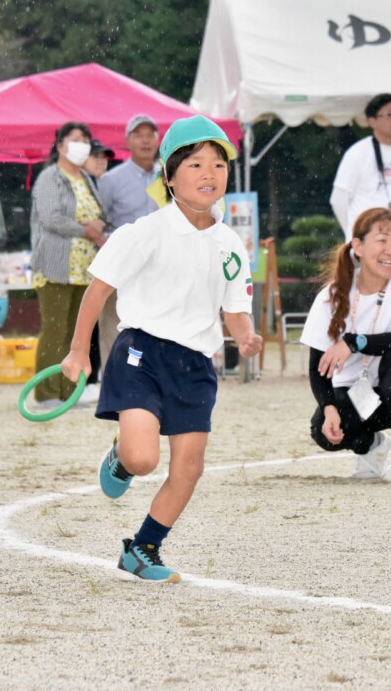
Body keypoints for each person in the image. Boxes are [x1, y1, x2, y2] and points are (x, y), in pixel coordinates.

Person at [60, 115, 261, 583]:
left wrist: (245, 334)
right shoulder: (144, 232)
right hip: (141, 355)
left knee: (189, 468)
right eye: (196, 164)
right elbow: (98, 290)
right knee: (143, 459)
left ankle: (143, 548)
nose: (209, 173)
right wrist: (78, 351)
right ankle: (122, 457)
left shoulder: (231, 243)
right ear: (169, 177)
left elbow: (235, 308)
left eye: (218, 165)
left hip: (196, 365)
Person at [299, 207, 391, 483]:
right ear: (358, 247)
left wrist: (353, 342)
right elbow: (317, 368)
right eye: (382, 240)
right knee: (321, 428)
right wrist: (328, 409)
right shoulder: (330, 296)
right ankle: (373, 447)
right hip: (358, 395)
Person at [30, 122, 107, 409]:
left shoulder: (85, 177)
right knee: (55, 330)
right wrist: (84, 229)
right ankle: (47, 392)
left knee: (76, 334)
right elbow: (50, 217)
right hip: (56, 266)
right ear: (60, 145)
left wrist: (97, 225)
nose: (82, 145)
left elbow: (99, 212)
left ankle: (68, 391)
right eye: (76, 139)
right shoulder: (49, 177)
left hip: (84, 269)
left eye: (86, 140)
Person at [93, 114, 163, 378]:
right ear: (127, 141)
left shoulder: (169, 176)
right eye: (138, 135)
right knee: (115, 322)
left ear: (158, 140)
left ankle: (151, 379)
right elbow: (99, 220)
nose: (145, 141)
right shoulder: (111, 180)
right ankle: (114, 380)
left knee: (157, 322)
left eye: (150, 135)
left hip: (161, 263)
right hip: (122, 263)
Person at [331, 93, 391, 261]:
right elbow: (338, 200)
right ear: (372, 121)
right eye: (389, 115)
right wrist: (355, 234)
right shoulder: (357, 152)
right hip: (368, 249)